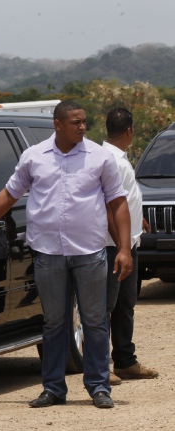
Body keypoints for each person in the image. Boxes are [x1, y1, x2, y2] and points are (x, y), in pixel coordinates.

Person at [0, 100, 132, 409]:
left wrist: (124, 249)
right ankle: (54, 389)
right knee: (54, 322)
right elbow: (9, 194)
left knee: (95, 320)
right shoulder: (34, 157)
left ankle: (99, 387)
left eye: (84, 121)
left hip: (90, 252)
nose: (83, 127)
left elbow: (117, 202)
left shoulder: (100, 157)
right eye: (76, 122)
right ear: (58, 124)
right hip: (48, 253)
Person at [103, 108, 159, 385]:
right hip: (114, 246)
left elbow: (123, 201)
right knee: (106, 306)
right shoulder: (113, 161)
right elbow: (107, 206)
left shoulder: (117, 159)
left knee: (125, 305)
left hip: (127, 242)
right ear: (129, 131)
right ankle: (102, 366)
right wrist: (120, 246)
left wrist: (138, 219)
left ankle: (125, 361)